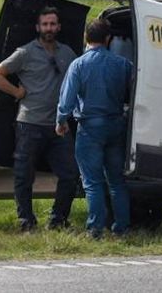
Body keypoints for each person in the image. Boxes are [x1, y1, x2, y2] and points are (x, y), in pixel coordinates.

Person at [0, 6, 79, 231]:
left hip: (59, 125)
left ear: (58, 27)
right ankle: (26, 221)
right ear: (38, 27)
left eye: (52, 24)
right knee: (24, 176)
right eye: (45, 24)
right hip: (29, 124)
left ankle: (58, 220)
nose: (49, 28)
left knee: (70, 174)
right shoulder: (25, 52)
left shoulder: (67, 53)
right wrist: (17, 92)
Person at [56, 18, 133, 238]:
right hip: (116, 124)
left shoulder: (79, 65)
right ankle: (122, 227)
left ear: (85, 38)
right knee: (117, 180)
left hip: (90, 127)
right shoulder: (122, 64)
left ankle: (96, 228)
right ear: (108, 38)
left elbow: (67, 98)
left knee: (92, 181)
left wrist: (61, 121)